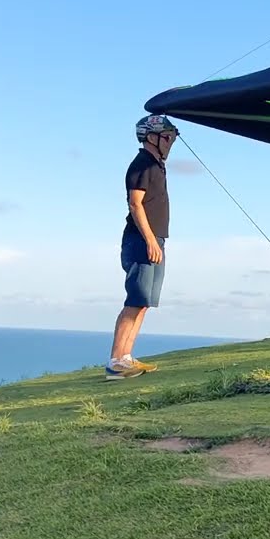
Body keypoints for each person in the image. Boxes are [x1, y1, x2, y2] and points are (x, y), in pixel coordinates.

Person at [107, 115, 178, 380]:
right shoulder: (143, 164)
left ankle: (125, 357)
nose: (170, 142)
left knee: (144, 302)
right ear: (152, 137)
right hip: (141, 240)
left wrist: (155, 240)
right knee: (135, 300)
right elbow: (135, 203)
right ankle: (116, 361)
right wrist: (149, 239)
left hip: (155, 239)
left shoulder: (156, 165)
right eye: (167, 137)